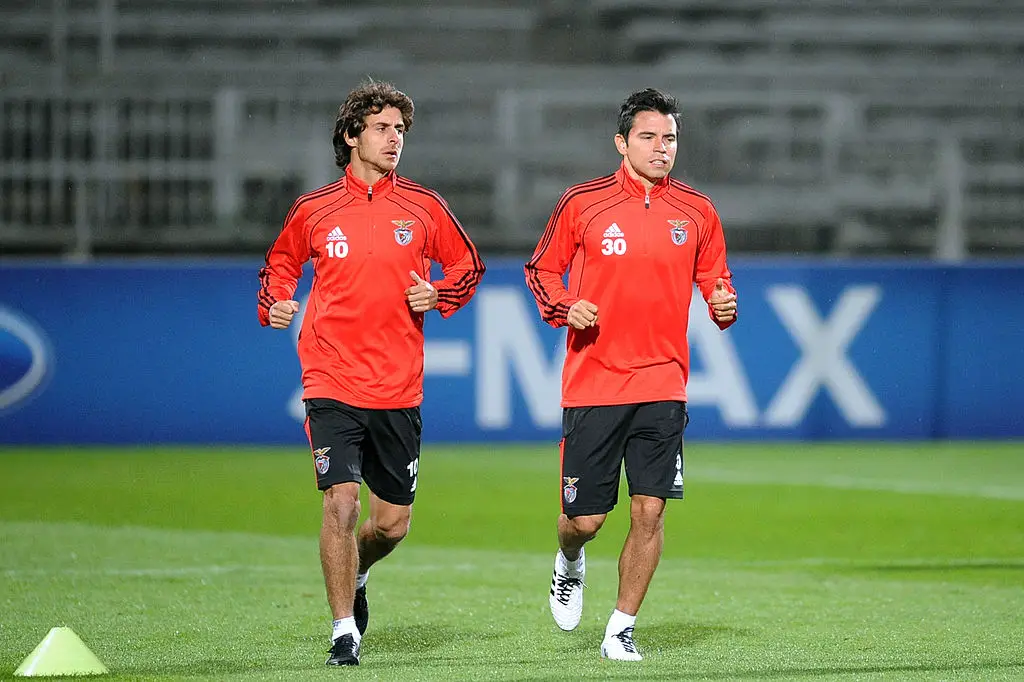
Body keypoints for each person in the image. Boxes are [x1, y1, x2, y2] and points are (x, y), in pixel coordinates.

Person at [258, 81, 485, 667]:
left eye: (401, 131)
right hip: (330, 378)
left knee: (391, 525)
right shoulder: (313, 209)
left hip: (397, 383)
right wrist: (276, 302)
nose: (394, 140)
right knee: (340, 502)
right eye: (382, 128)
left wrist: (438, 293)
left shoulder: (423, 206)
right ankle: (342, 632)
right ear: (351, 135)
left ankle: (358, 573)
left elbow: (468, 265)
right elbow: (281, 263)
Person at [523, 87, 737, 661]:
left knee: (651, 509)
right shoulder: (583, 203)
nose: (661, 148)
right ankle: (569, 560)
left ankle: (620, 629)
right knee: (585, 520)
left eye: (669, 138)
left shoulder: (697, 211)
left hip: (664, 383)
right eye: (648, 137)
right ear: (621, 143)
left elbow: (716, 277)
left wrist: (722, 300)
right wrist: (566, 305)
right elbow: (541, 269)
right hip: (595, 382)